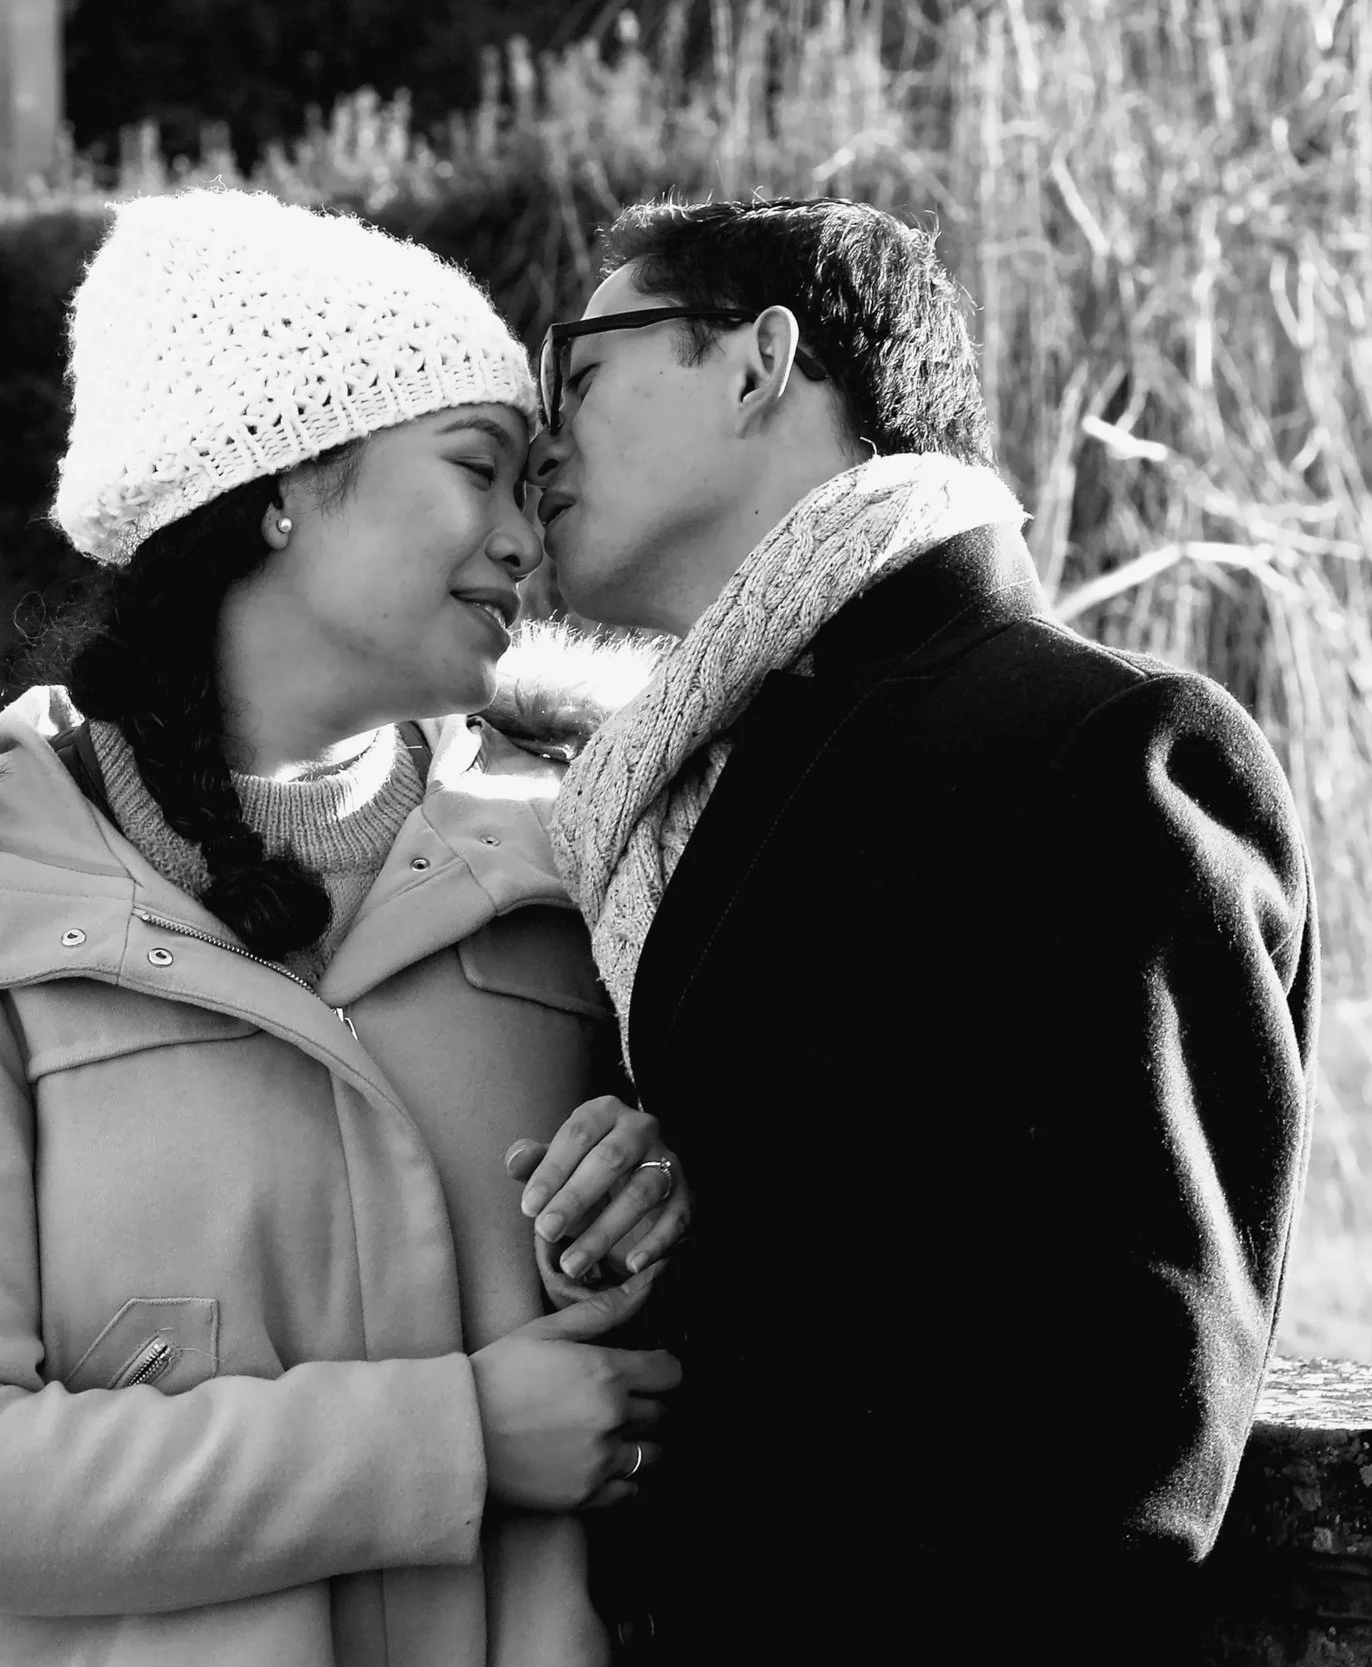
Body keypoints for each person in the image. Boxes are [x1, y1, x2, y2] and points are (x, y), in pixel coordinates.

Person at [0, 189, 685, 1665]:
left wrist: (671, 1184)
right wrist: (459, 1435)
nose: (521, 539)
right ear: (282, 483)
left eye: (535, 486)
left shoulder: (591, 850)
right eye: (478, 468)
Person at [515, 197, 1317, 1664]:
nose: (537, 437)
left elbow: (1135, 1413)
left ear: (762, 362)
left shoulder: (1098, 744)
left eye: (577, 370)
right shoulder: (691, 792)